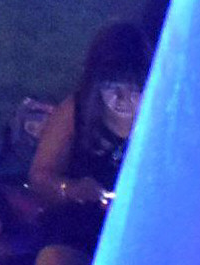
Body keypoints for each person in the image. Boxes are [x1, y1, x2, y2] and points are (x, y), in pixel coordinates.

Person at [24, 22, 145, 257]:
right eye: (112, 86)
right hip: (86, 224)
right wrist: (72, 189)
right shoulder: (76, 112)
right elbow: (39, 177)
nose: (122, 99)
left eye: (133, 88)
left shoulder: (164, 114)